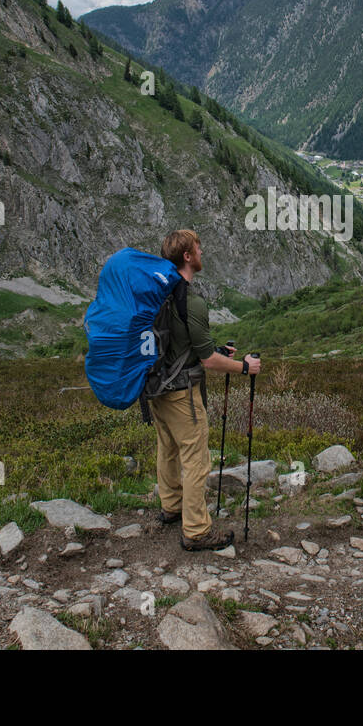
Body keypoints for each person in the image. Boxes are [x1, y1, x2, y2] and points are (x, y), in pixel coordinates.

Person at [149, 229, 261, 551]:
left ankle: (171, 507)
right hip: (183, 393)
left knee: (167, 449)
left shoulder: (159, 293)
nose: (202, 251)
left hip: (156, 388)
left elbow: (184, 345)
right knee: (196, 459)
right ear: (187, 256)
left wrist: (216, 351)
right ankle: (197, 530)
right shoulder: (192, 301)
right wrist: (243, 366)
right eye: (198, 247)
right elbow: (206, 360)